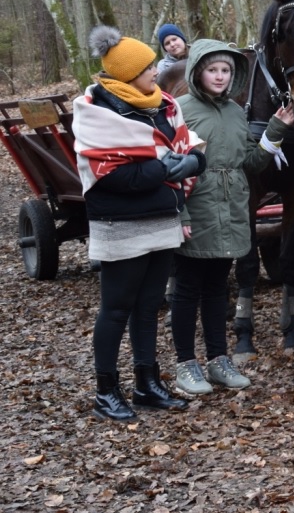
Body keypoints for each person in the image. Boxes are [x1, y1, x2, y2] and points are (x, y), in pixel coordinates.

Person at [73, 25, 206, 421]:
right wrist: (163, 168)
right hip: (122, 224)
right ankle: (105, 391)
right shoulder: (98, 111)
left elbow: (186, 144)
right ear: (128, 74)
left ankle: (146, 383)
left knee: (149, 307)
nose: (155, 72)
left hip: (162, 218)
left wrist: (194, 161)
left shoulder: (163, 103)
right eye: (148, 67)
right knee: (116, 309)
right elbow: (111, 175)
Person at [170, 40, 294, 395]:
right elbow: (171, 168)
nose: (220, 76)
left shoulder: (237, 112)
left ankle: (217, 360)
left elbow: (250, 164)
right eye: (213, 70)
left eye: (225, 70)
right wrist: (180, 214)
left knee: (216, 290)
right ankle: (185, 365)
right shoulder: (179, 110)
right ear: (197, 72)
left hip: (231, 210)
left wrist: (275, 131)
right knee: (186, 290)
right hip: (197, 209)